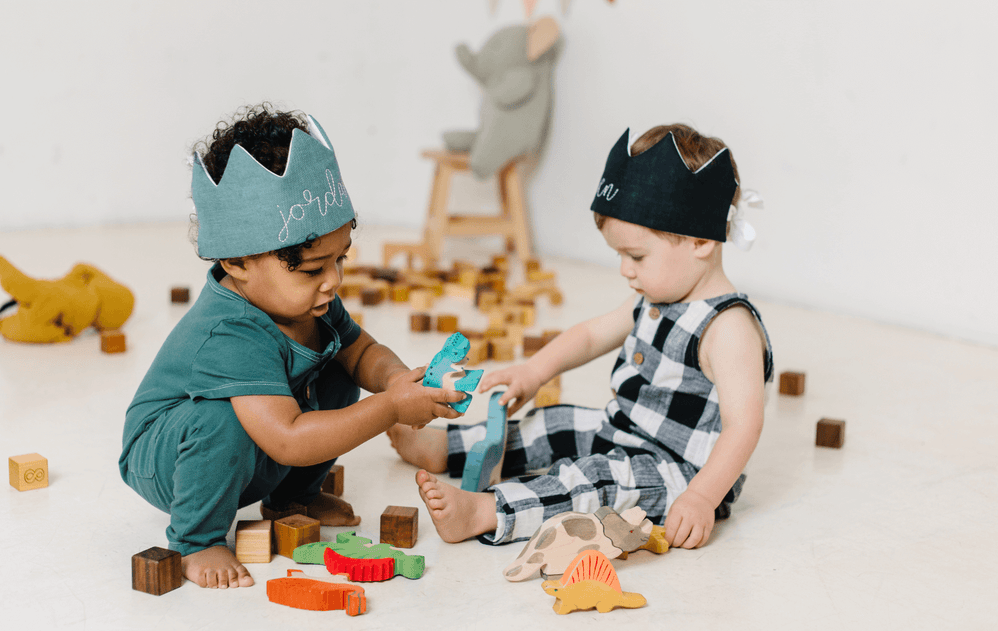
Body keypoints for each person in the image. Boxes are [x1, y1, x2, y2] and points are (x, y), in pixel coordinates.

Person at [119, 105, 464, 589]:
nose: (333, 282)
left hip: (258, 436)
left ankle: (291, 498)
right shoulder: (231, 331)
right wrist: (389, 409)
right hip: (169, 456)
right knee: (224, 417)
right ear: (238, 262)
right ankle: (196, 540)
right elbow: (288, 438)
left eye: (339, 260)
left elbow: (362, 351)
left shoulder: (312, 305)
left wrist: (396, 382)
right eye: (311, 269)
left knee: (338, 367)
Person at [389, 123, 773, 550]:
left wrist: (701, 497)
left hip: (679, 472)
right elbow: (591, 335)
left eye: (637, 256)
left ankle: (487, 512)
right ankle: (447, 448)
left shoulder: (729, 327)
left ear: (701, 239)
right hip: (622, 430)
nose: (625, 269)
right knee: (555, 423)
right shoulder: (657, 297)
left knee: (592, 481)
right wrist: (535, 371)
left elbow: (744, 425)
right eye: (620, 255)